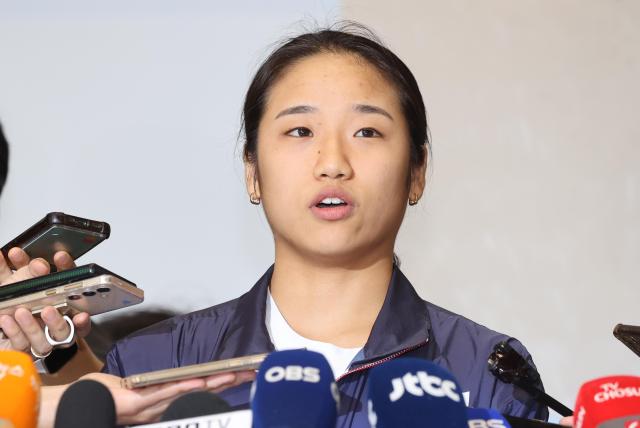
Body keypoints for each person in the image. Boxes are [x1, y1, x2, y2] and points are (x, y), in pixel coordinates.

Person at [99, 24, 550, 427]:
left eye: (367, 132)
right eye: (300, 132)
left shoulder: (490, 371)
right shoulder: (151, 363)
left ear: (417, 172)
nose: (332, 163)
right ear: (252, 172)